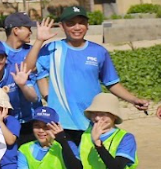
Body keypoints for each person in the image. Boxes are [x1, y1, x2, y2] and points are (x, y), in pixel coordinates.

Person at [25, 8, 150, 140]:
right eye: (71, 23)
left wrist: (133, 100)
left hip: (93, 120)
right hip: (61, 124)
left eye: (81, 22)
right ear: (62, 26)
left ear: (87, 25)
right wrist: (39, 41)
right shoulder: (53, 48)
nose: (77, 27)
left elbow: (111, 83)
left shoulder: (99, 51)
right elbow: (27, 68)